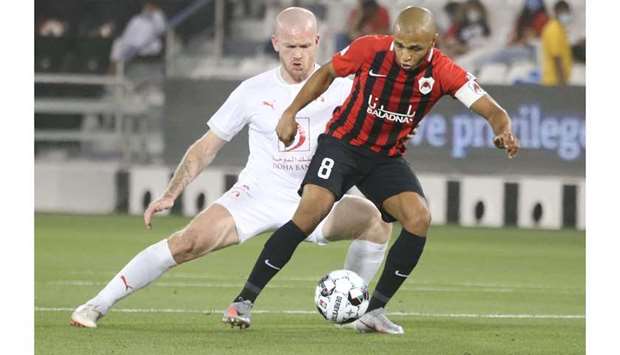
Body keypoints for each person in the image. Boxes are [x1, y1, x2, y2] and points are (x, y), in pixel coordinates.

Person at [70, 7, 393, 329]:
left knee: (377, 221)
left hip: (317, 198)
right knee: (185, 243)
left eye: (305, 46)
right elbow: (206, 147)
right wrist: (171, 194)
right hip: (258, 195)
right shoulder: (253, 90)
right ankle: (96, 305)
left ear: (318, 42)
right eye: (290, 46)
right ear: (275, 43)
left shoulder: (343, 88)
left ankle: (354, 313)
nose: (298, 55)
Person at [223, 6, 520, 335]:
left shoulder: (445, 72)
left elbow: (493, 110)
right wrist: (291, 112)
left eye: (416, 48)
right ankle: (244, 300)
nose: (406, 55)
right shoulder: (370, 49)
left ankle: (374, 310)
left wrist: (502, 130)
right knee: (310, 214)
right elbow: (326, 74)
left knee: (419, 218)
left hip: (384, 158)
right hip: (342, 145)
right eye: (401, 45)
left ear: (434, 43)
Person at [540, 0, 573, 86]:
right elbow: (556, 57)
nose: (567, 14)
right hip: (554, 82)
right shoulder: (554, 29)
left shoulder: (560, 29)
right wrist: (562, 82)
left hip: (557, 80)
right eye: (564, 11)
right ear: (556, 12)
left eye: (568, 11)